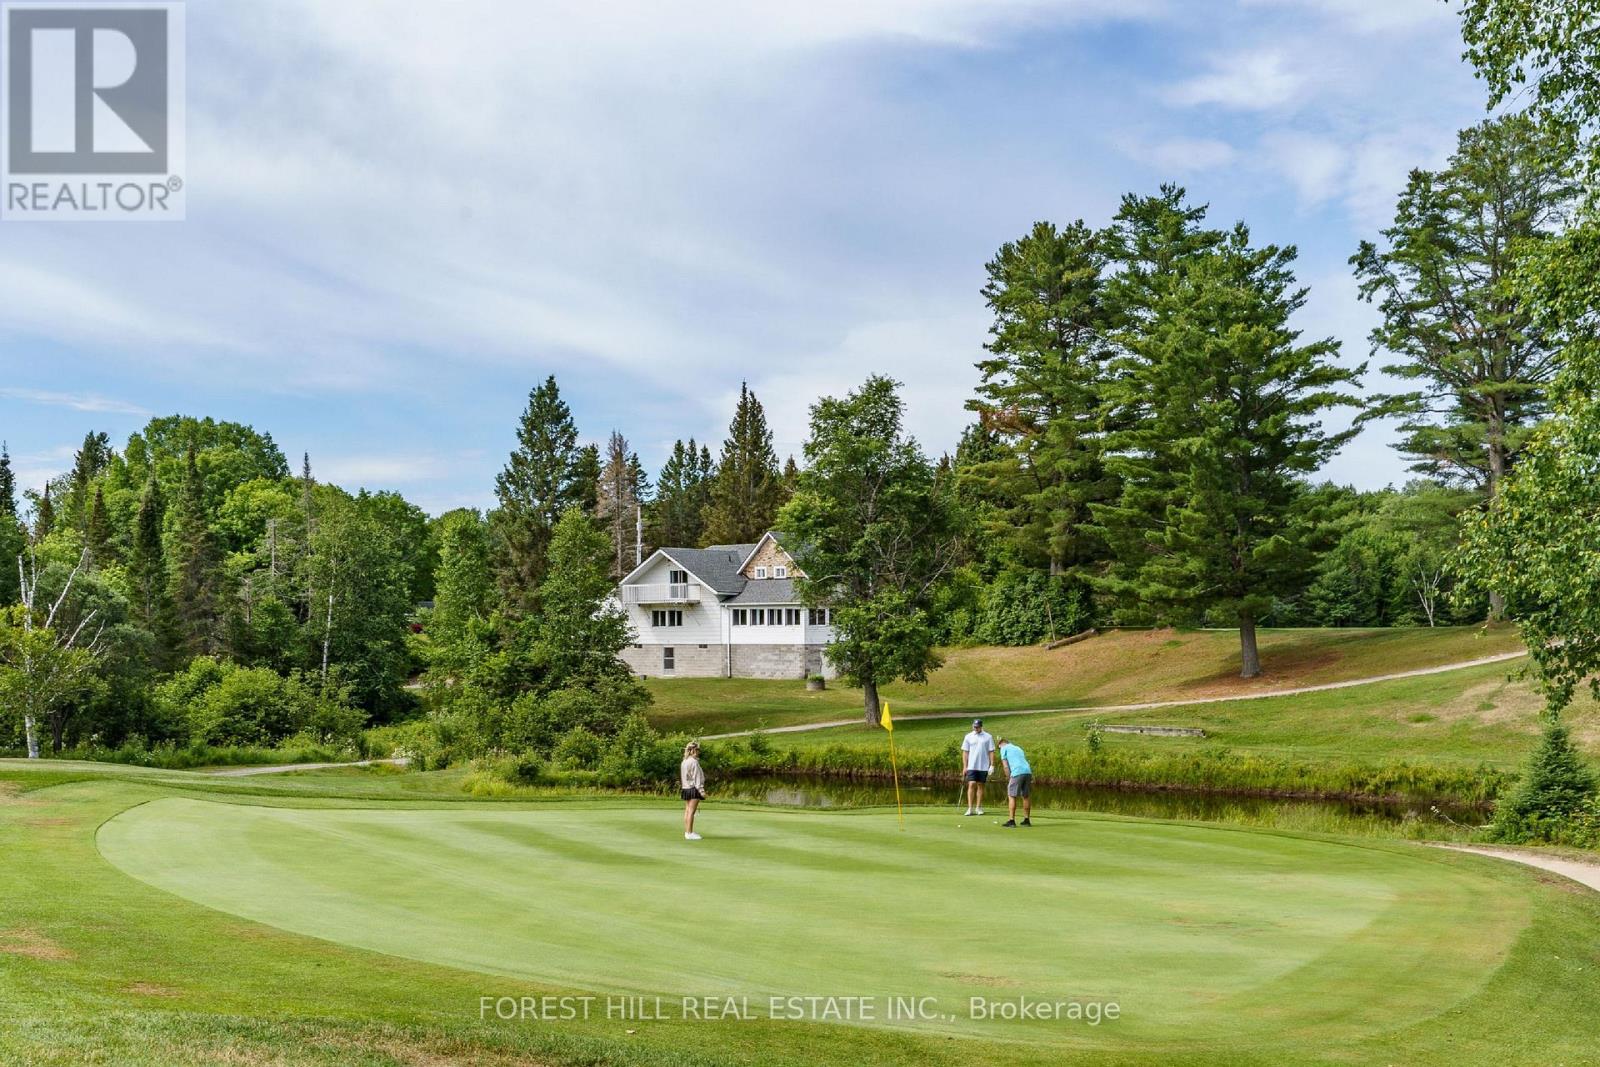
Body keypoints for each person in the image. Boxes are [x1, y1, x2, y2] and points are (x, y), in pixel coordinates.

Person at [960, 718, 995, 817]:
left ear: (981, 727)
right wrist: (965, 766)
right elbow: (965, 752)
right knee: (971, 784)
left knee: (980, 785)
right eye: (974, 726)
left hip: (983, 766)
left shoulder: (988, 737)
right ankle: (970, 808)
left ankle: (978, 807)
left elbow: (991, 751)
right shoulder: (968, 736)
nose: (976, 728)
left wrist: (992, 765)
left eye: (977, 727)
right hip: (971, 765)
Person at [997, 736, 1033, 827]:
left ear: (1000, 744)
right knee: (1026, 796)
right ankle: (1026, 820)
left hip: (1017, 772)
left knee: (1011, 795)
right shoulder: (1018, 748)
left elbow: (1005, 766)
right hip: (1028, 772)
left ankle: (1011, 820)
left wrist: (1009, 777)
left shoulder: (1003, 748)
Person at [681, 741, 706, 840]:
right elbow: (697, 777)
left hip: (686, 788)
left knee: (687, 811)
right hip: (693, 788)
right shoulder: (694, 762)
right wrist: (701, 790)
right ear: (693, 750)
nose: (699, 752)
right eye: (698, 750)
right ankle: (689, 833)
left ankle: (687, 832)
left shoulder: (684, 761)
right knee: (691, 811)